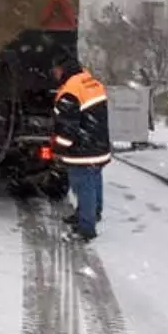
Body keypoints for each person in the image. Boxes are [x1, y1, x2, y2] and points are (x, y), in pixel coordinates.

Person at [50, 48, 112, 241]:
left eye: (55, 70)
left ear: (62, 69)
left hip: (83, 150)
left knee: (83, 185)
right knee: (94, 181)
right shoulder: (90, 81)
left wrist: (58, 148)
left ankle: (87, 228)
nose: (54, 74)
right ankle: (92, 213)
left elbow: (68, 128)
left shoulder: (70, 91)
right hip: (99, 145)